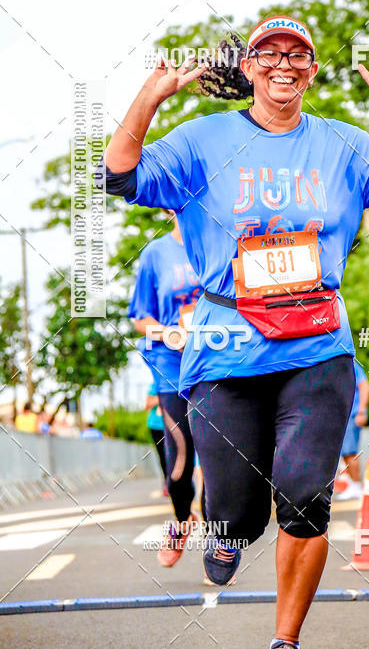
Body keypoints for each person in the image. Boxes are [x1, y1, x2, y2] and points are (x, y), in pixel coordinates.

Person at [103, 14, 369, 649]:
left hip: (317, 347)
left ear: (311, 70)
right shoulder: (203, 140)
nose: (284, 63)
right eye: (270, 53)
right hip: (224, 353)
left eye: (298, 54)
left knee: (306, 496)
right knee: (238, 513)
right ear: (252, 67)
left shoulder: (343, 144)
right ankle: (224, 527)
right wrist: (149, 99)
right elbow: (120, 175)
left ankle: (285, 641)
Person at [128, 212, 201, 567]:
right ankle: (183, 519)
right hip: (172, 366)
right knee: (179, 459)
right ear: (168, 209)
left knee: (223, 456)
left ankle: (224, 543)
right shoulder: (155, 254)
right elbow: (141, 318)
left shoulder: (225, 244)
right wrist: (170, 334)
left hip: (220, 360)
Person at [337, 359, 369, 501]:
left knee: (350, 452)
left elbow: (364, 386)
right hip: (343, 414)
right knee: (345, 452)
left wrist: (362, 411)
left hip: (353, 413)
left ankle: (356, 485)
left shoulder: (351, 363)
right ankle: (352, 484)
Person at [146, 381, 169, 497]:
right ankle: (167, 483)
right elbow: (147, 404)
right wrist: (163, 397)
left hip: (173, 425)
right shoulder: (156, 384)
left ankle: (178, 482)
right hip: (156, 426)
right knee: (163, 455)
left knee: (174, 454)